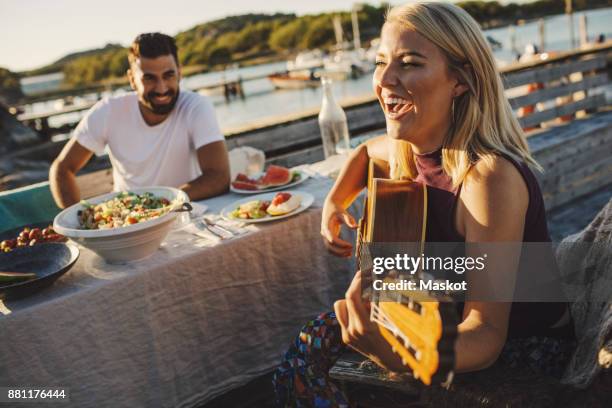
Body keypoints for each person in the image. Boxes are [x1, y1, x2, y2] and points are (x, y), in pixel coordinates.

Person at [273, 3, 575, 406]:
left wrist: (391, 352)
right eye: (381, 62)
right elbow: (364, 152)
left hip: (518, 351)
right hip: (439, 316)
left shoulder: (487, 179)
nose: (384, 79)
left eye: (410, 63)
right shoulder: (405, 147)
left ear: (460, 81)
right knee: (308, 347)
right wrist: (334, 202)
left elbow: (486, 334)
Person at [49, 33, 230, 208]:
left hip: (184, 211)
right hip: (127, 220)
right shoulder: (108, 111)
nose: (161, 88)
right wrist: (77, 218)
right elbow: (62, 169)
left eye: (168, 75)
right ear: (132, 80)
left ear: (179, 73)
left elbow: (219, 176)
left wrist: (160, 204)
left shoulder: (196, 106)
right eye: (149, 78)